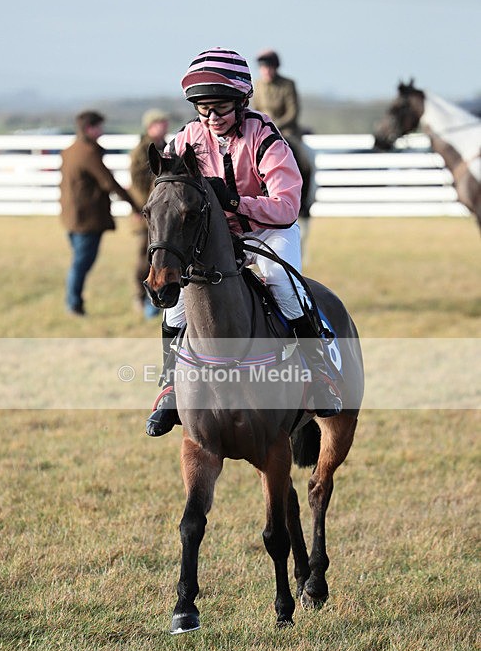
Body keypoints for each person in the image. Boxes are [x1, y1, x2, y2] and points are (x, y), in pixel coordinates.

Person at [146, 47, 342, 437]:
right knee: (178, 307)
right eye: (203, 109)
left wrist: (235, 201)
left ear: (242, 101)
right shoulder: (187, 137)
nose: (211, 118)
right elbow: (168, 186)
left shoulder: (265, 136)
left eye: (220, 109)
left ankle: (319, 373)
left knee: (281, 283)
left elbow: (287, 206)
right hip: (215, 240)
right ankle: (170, 386)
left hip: (268, 230)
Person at [60, 110, 140, 315]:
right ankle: (73, 303)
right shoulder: (88, 153)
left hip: (71, 215)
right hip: (87, 217)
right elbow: (109, 182)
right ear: (89, 128)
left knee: (79, 261)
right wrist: (135, 205)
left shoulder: (70, 150)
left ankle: (73, 301)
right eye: (99, 127)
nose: (101, 131)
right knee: (82, 262)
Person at [252, 49, 315, 222]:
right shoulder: (257, 85)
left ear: (275, 68)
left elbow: (292, 112)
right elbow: (254, 110)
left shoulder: (288, 84)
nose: (266, 71)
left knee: (305, 162)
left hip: (287, 132)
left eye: (269, 67)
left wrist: (274, 126)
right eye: (263, 67)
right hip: (262, 132)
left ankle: (305, 202)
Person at [129, 108, 169, 317]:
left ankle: (154, 299)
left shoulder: (165, 146)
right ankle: (139, 296)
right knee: (143, 258)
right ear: (150, 126)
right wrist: (143, 208)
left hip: (159, 215)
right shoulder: (143, 149)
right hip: (146, 213)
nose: (165, 125)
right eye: (160, 122)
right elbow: (136, 183)